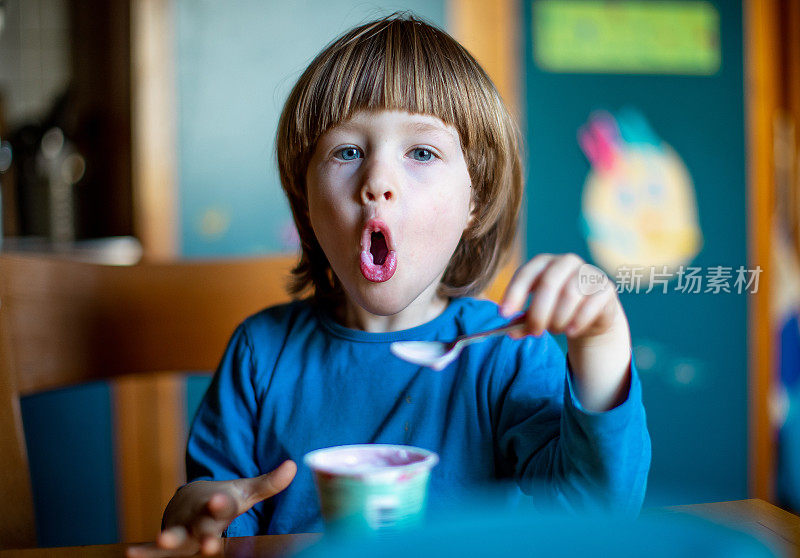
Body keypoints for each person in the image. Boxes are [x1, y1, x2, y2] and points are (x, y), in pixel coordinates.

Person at [127, 12, 651, 558]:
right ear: (306, 199)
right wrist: (198, 513)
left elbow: (597, 514)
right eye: (347, 151)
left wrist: (601, 343)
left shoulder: (507, 354)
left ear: (475, 200)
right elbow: (214, 508)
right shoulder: (260, 355)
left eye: (422, 153)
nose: (377, 182)